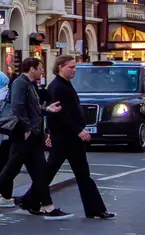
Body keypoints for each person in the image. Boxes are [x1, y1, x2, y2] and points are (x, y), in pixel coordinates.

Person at [0, 57, 62, 217]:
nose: (42, 71)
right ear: (32, 69)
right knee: (11, 169)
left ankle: (49, 207)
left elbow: (31, 108)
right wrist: (27, 128)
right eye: (40, 68)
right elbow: (17, 107)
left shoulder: (30, 84)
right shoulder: (20, 83)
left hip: (32, 135)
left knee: (39, 172)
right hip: (23, 134)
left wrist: (46, 109)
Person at [39, 55, 113, 220]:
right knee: (57, 171)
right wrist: (78, 130)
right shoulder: (58, 87)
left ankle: (95, 209)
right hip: (66, 137)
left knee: (78, 173)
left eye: (74, 67)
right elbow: (60, 115)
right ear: (60, 67)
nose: (74, 70)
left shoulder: (64, 84)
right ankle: (30, 200)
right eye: (71, 67)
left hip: (68, 138)